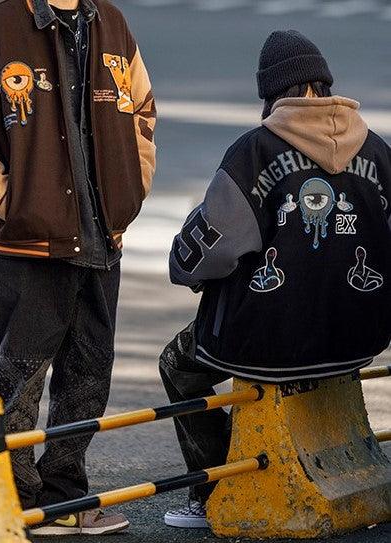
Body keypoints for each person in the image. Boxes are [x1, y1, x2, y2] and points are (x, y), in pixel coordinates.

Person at [0, 0, 156, 535]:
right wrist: (8, 201)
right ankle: (14, 498)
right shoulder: (1, 25)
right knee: (18, 378)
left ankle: (66, 496)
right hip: (28, 246)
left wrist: (131, 189)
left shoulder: (111, 22)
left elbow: (143, 113)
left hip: (102, 237)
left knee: (89, 371)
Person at [160, 29, 391, 529]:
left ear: (273, 92)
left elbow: (206, 250)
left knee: (178, 369)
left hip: (269, 340)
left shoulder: (255, 152)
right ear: (323, 84)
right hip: (356, 337)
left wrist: (183, 268)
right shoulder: (377, 151)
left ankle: (213, 488)